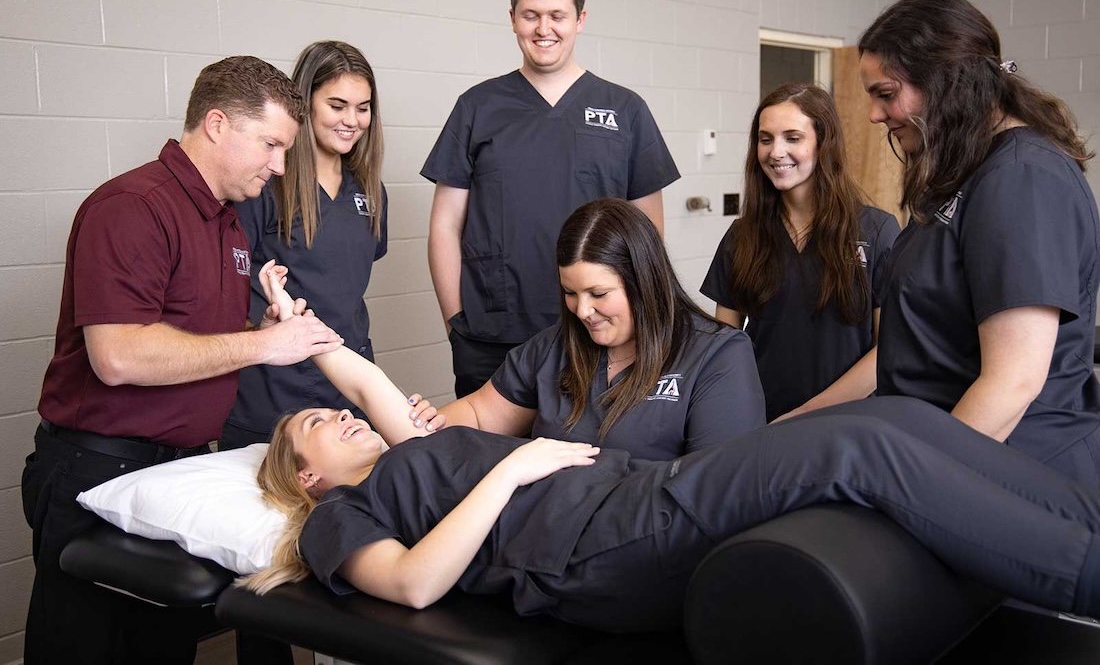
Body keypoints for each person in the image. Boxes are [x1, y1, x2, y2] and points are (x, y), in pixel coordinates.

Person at [248, 267, 1100, 633]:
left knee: (896, 420)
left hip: (631, 494)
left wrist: (291, 322)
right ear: (308, 475)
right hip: (592, 545)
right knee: (851, 452)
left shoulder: (408, 449)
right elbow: (415, 584)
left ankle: (1082, 522)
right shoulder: (344, 516)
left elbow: (359, 379)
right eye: (311, 426)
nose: (339, 415)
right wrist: (514, 465)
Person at [20, 56, 352, 665]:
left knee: (164, 650)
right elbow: (117, 356)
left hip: (174, 471)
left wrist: (260, 329)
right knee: (83, 648)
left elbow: (187, 340)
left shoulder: (226, 223)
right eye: (272, 145)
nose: (280, 166)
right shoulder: (133, 206)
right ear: (219, 124)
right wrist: (261, 347)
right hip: (97, 466)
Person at [858, 0, 1100, 486]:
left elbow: (1013, 383)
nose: (874, 116)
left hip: (1012, 466)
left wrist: (919, 485)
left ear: (947, 82)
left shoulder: (1022, 177)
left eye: (886, 93)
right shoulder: (966, 173)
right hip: (937, 441)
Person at [422, 0, 680, 397]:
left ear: (580, 20)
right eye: (531, 15)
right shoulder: (478, 107)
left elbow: (648, 232)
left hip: (595, 329)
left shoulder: (625, 110)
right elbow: (445, 225)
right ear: (513, 19)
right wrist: (456, 324)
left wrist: (637, 321)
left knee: (585, 456)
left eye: (557, 16)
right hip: (492, 331)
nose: (544, 29)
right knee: (483, 457)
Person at [430, 198, 766, 460]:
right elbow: (477, 414)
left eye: (599, 294)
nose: (583, 311)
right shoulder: (554, 348)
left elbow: (718, 489)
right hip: (548, 531)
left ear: (644, 281)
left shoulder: (717, 356)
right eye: (570, 293)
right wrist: (421, 422)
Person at [222, 41, 388, 450]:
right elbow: (229, 287)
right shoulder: (265, 185)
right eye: (337, 105)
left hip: (348, 385)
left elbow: (345, 282)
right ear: (306, 103)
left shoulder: (370, 192)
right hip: (274, 391)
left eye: (363, 107)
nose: (352, 120)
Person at [701, 84, 899, 421]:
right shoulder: (742, 235)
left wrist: (806, 413)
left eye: (793, 138)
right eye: (766, 139)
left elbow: (889, 351)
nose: (776, 152)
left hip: (850, 423)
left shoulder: (876, 231)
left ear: (823, 144)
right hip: (762, 418)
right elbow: (725, 346)